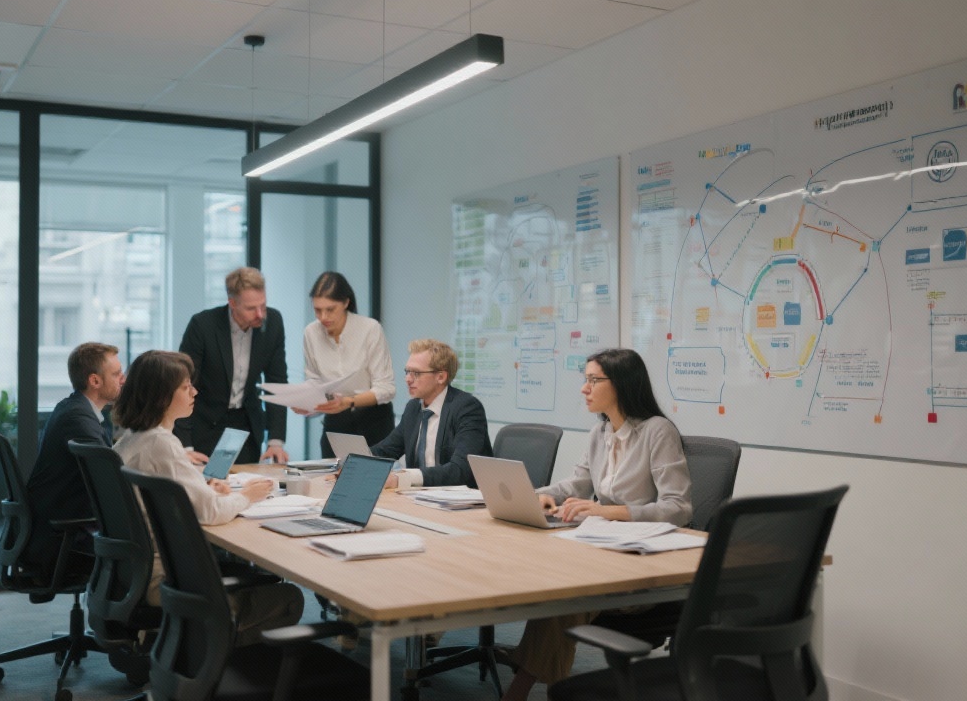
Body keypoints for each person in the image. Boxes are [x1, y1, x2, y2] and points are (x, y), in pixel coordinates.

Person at [501, 347, 693, 701]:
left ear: (621, 384)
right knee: (557, 588)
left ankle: (520, 690)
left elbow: (678, 507)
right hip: (602, 552)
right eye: (585, 379)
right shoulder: (600, 432)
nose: (584, 388)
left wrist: (609, 511)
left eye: (593, 380)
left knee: (563, 597)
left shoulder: (657, 431)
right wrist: (538, 495)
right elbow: (576, 484)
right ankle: (547, 687)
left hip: (641, 568)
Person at [113, 350, 304, 644]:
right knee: (289, 597)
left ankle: (192, 649)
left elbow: (180, 495)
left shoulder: (131, 439)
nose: (195, 392)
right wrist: (248, 495)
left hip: (136, 573)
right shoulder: (161, 444)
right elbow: (212, 513)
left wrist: (204, 491)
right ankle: (208, 657)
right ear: (162, 396)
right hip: (165, 578)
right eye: (186, 387)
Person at [176, 267, 289, 466]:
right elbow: (184, 383)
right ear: (232, 303)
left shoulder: (273, 323)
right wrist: (185, 446)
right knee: (207, 482)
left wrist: (276, 440)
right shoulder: (203, 325)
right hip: (205, 424)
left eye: (263, 305)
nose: (260, 314)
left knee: (246, 481)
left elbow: (277, 381)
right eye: (251, 308)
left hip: (246, 425)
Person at [24, 342, 123, 571]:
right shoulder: (78, 419)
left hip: (59, 529)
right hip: (61, 542)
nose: (123, 379)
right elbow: (110, 482)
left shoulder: (75, 408)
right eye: (116, 374)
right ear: (95, 381)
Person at [297, 271, 397, 458]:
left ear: (345, 303)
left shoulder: (370, 329)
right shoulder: (311, 333)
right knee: (331, 475)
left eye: (330, 309)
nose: (323, 317)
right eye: (317, 310)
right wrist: (308, 403)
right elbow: (314, 382)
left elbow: (386, 388)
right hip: (336, 424)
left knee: (374, 475)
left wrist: (348, 402)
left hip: (374, 422)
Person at [369, 338, 492, 488]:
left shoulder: (467, 408)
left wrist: (403, 478)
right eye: (407, 372)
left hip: (461, 497)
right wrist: (351, 459)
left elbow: (460, 469)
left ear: (441, 377)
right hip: (419, 495)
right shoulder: (413, 408)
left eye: (416, 373)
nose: (408, 379)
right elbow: (385, 450)